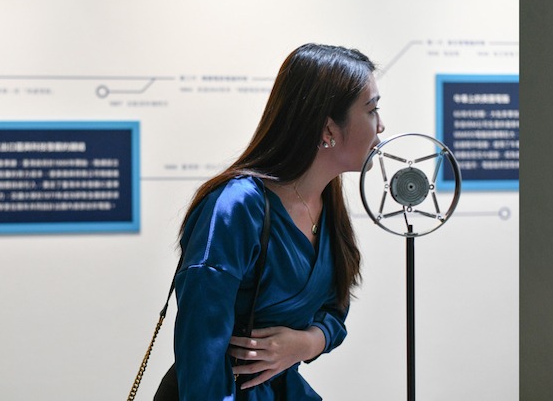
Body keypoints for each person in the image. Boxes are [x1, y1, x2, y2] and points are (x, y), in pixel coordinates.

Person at [159, 43, 385, 400]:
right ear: (328, 128)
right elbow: (200, 350)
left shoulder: (328, 201)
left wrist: (308, 342)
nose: (382, 126)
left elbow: (336, 305)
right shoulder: (235, 208)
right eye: (371, 110)